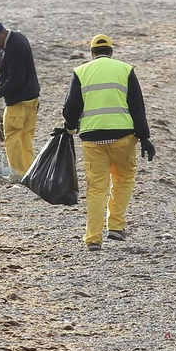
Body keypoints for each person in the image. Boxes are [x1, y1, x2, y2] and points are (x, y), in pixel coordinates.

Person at [61, 34, 156, 252]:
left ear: (92, 53)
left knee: (96, 188)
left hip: (92, 139)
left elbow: (71, 107)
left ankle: (93, 238)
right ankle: (116, 226)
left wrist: (70, 128)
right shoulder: (125, 70)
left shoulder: (81, 72)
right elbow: (137, 107)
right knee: (123, 179)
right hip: (124, 138)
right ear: (111, 52)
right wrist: (145, 138)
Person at [0, 22, 40, 176]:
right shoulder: (15, 37)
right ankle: (29, 170)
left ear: (3, 33)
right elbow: (8, 56)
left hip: (19, 101)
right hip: (31, 97)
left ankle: (17, 172)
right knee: (25, 136)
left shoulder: (15, 47)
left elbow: (16, 79)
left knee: (13, 136)